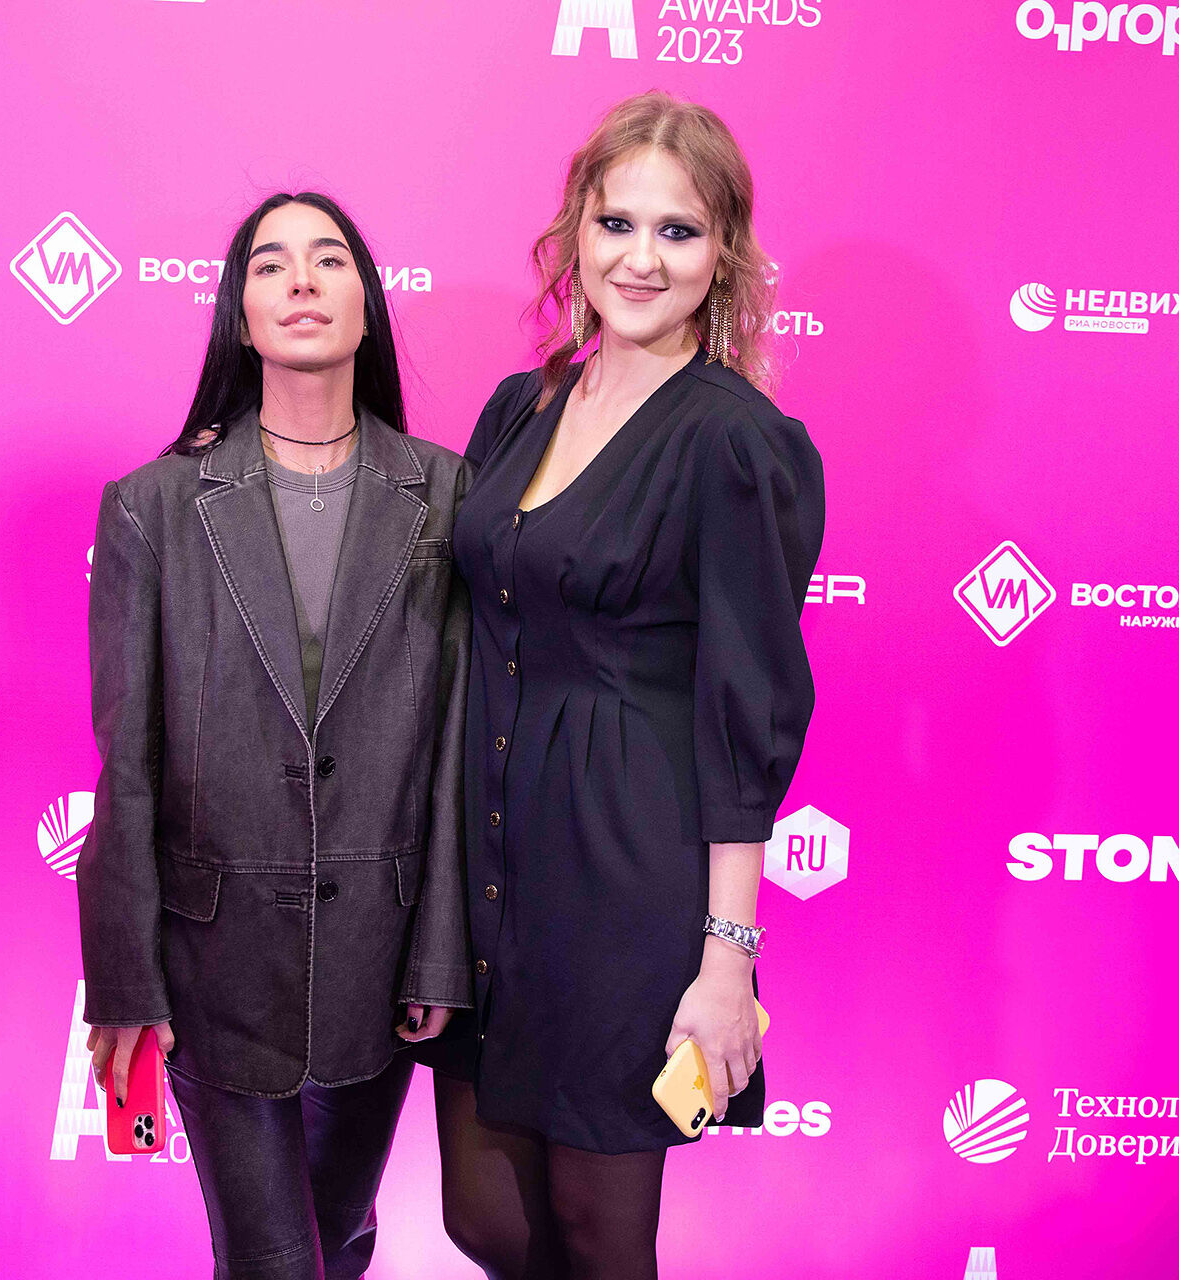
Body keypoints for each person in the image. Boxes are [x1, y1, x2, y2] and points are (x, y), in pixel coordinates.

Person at [417, 91, 825, 1279]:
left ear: (724, 251)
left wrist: (726, 956)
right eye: (617, 223)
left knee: (600, 1233)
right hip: (493, 865)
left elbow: (746, 711)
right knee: (485, 1218)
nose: (641, 259)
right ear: (576, 233)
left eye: (678, 230)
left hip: (626, 881)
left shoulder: (736, 442)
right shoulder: (522, 405)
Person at [78, 191, 473, 1280]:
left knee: (338, 1241)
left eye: (329, 258)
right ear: (239, 315)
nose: (301, 279)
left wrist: (441, 948)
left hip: (382, 961)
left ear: (367, 303)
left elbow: (456, 751)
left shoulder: (447, 492)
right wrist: (124, 976)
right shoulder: (153, 506)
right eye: (270, 264)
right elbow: (127, 764)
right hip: (213, 963)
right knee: (275, 1261)